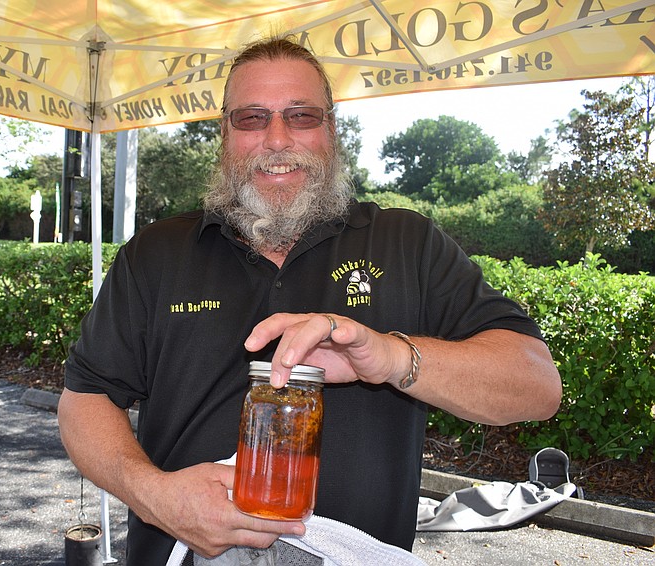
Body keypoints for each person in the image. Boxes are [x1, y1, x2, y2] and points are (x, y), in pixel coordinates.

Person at [58, 36, 562, 564]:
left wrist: (390, 356)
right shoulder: (155, 254)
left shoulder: (407, 243)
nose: (277, 139)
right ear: (224, 134)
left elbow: (535, 384)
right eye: (251, 118)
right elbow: (84, 399)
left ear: (332, 129)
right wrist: (156, 497)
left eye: (301, 115)